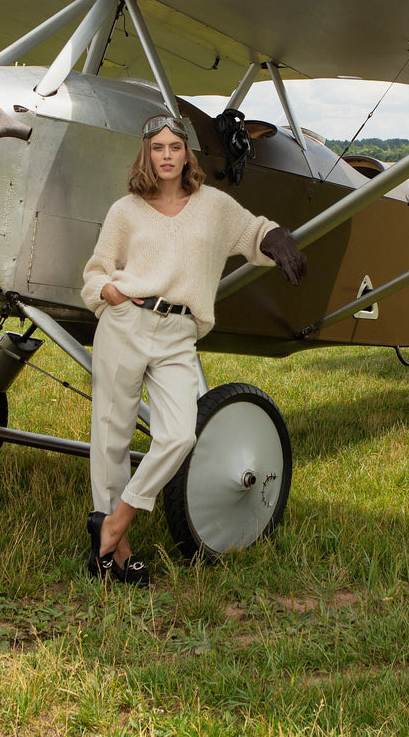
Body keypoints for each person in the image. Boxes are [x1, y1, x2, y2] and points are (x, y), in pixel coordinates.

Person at [80, 114, 307, 585]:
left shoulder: (212, 207)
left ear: (188, 154)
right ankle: (114, 555)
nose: (166, 156)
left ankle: (116, 519)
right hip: (126, 322)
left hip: (178, 333)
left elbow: (251, 232)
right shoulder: (126, 210)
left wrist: (277, 239)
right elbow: (97, 269)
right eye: (158, 148)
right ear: (148, 154)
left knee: (180, 435)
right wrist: (109, 293)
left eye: (175, 147)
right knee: (110, 436)